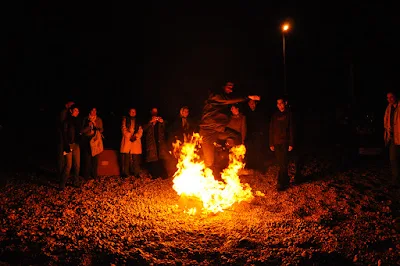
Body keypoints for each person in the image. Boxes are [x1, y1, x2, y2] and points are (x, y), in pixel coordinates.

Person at [199, 81, 260, 169]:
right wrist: (248, 97)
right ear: (222, 86)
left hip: (218, 130)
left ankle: (235, 163)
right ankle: (203, 175)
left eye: (232, 88)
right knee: (209, 160)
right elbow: (229, 100)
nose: (231, 90)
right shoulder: (216, 97)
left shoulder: (224, 102)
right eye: (229, 87)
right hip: (208, 131)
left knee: (236, 136)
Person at [269, 96, 294, 191]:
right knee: (281, 162)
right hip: (276, 142)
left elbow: (291, 129)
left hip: (285, 142)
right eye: (278, 103)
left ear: (285, 103)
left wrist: (291, 143)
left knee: (283, 162)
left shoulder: (289, 114)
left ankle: (281, 182)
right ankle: (285, 179)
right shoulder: (275, 115)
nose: (279, 105)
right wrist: (271, 143)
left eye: (281, 103)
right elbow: (271, 130)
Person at [60, 104, 82, 190]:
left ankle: (76, 182)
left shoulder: (78, 121)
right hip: (68, 144)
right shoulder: (66, 121)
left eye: (78, 111)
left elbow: (79, 133)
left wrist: (80, 137)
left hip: (76, 145)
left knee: (77, 165)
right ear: (71, 111)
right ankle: (62, 184)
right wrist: (66, 145)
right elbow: (64, 134)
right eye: (76, 110)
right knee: (68, 165)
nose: (77, 112)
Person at [81, 107, 104, 180]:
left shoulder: (99, 119)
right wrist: (89, 125)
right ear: (89, 111)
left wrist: (96, 125)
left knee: (95, 158)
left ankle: (94, 174)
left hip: (95, 140)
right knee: (87, 158)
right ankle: (86, 175)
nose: (94, 112)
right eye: (92, 110)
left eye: (95, 110)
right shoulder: (85, 119)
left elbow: (101, 130)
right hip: (87, 140)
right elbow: (82, 130)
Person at [120, 108, 143, 178]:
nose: (133, 113)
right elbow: (123, 128)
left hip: (135, 141)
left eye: (134, 112)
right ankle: (125, 173)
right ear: (129, 112)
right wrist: (129, 136)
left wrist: (135, 136)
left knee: (136, 158)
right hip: (127, 140)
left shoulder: (138, 121)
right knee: (126, 158)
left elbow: (140, 130)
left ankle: (136, 172)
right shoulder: (125, 120)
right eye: (132, 112)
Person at [384, 92, 400, 186]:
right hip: (393, 137)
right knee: (393, 159)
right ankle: (396, 179)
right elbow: (387, 123)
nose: (389, 99)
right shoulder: (389, 108)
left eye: (391, 97)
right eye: (387, 97)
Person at [57, 100, 74, 177]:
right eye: (71, 105)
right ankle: (61, 174)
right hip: (62, 138)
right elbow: (63, 126)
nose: (72, 107)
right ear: (67, 105)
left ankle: (63, 173)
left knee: (64, 157)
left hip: (65, 138)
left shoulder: (68, 114)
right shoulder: (64, 112)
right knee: (61, 157)